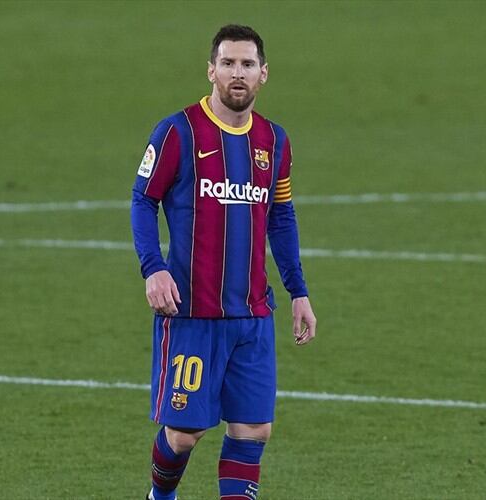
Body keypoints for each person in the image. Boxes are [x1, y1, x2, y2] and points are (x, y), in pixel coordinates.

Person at [130, 24, 317, 500]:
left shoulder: (275, 142)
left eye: (248, 64)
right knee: (183, 435)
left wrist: (298, 291)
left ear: (264, 74)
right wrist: (153, 268)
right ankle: (160, 495)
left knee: (254, 430)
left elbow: (282, 216)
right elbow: (142, 199)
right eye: (229, 63)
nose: (238, 73)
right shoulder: (178, 131)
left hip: (252, 315)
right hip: (192, 313)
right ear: (211, 70)